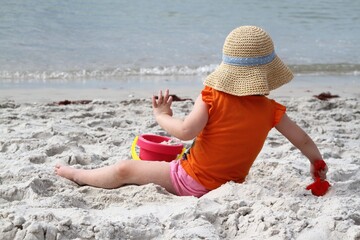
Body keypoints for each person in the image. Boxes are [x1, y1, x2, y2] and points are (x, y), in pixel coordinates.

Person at [55, 26, 328, 197]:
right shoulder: (271, 109)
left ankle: (79, 176)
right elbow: (301, 139)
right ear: (267, 73)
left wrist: (162, 116)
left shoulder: (212, 95)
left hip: (192, 180)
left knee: (126, 169)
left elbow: (186, 131)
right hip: (229, 186)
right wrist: (316, 163)